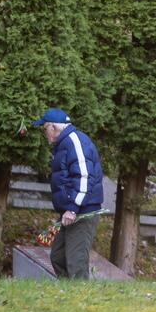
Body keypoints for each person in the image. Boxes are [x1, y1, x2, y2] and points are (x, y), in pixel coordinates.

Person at [32, 108, 104, 279]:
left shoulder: (75, 141)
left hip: (82, 210)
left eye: (44, 129)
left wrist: (72, 208)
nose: (44, 133)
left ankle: (81, 299)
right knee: (58, 257)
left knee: (75, 261)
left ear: (53, 128)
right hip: (71, 210)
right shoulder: (63, 144)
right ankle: (69, 295)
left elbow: (85, 177)